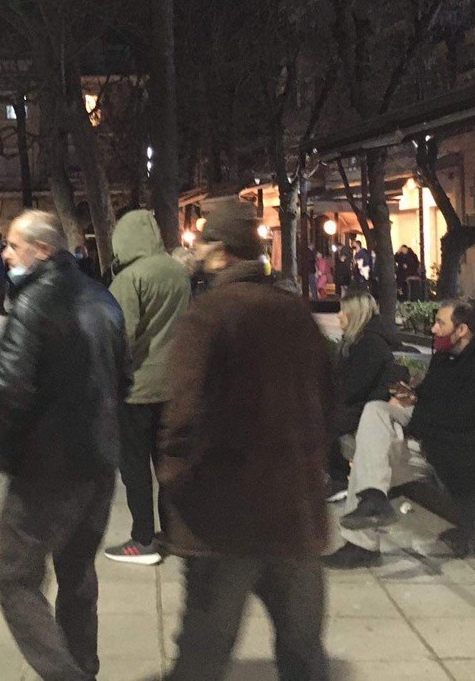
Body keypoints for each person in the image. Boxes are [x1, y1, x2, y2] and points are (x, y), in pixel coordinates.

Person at [159, 202, 332, 680]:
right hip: (292, 509)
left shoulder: (209, 315)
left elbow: (183, 416)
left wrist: (176, 483)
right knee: (302, 650)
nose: (196, 250)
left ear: (219, 251)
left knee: (203, 653)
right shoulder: (295, 312)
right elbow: (327, 400)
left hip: (226, 515)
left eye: (202, 242)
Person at [0, 211, 130, 681]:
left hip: (45, 470)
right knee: (77, 571)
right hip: (98, 463)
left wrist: (5, 443)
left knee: (15, 580)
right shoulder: (103, 299)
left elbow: (7, 389)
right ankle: (84, 665)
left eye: (14, 245)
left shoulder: (33, 303)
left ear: (43, 250)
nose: (6, 254)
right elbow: (124, 379)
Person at [325, 299, 475, 568]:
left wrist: (418, 413)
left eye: (440, 323)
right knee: (375, 412)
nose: (433, 329)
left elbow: (461, 419)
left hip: (460, 456)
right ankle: (373, 501)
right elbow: (433, 403)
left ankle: (362, 543)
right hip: (432, 441)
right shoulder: (446, 357)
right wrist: (413, 397)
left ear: (462, 329)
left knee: (368, 457)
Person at [103, 210, 190, 566]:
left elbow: (120, 335)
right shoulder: (177, 272)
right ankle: (174, 532)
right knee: (167, 464)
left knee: (135, 467)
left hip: (137, 387)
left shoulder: (130, 278)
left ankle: (142, 539)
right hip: (173, 385)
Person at [328, 291, 405, 501]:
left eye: (343, 311)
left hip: (368, 407)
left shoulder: (370, 344)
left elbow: (354, 388)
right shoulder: (357, 341)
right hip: (359, 404)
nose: (339, 315)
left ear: (355, 314)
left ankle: (338, 479)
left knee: (321, 421)